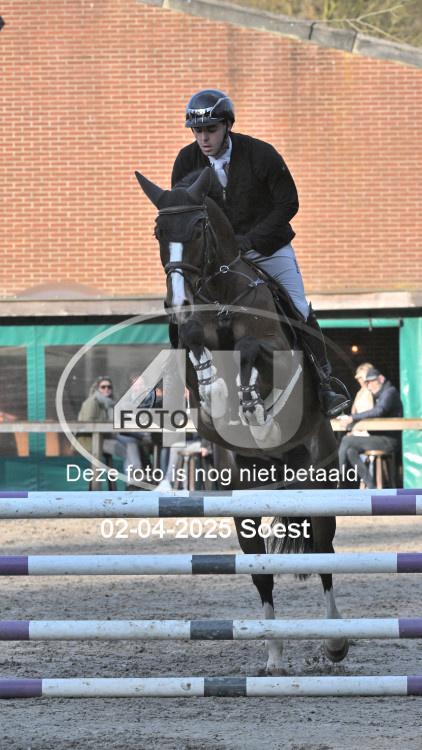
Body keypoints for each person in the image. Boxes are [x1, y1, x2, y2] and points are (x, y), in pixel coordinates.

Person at [171, 88, 351, 418]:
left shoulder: (260, 154)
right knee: (181, 307)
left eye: (211, 129)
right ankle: (179, 379)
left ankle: (325, 382)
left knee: (298, 305)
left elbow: (288, 204)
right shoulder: (186, 161)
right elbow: (183, 213)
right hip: (217, 258)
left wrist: (251, 240)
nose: (203, 138)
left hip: (267, 248)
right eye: (197, 131)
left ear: (227, 125)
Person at [338, 367, 403, 489]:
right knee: (350, 451)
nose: (369, 386)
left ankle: (337, 480)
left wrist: (352, 418)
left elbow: (379, 411)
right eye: (367, 383)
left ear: (381, 379)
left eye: (372, 381)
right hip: (380, 438)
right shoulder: (380, 394)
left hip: (389, 441)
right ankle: (371, 485)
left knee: (346, 440)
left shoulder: (389, 392)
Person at [77, 376, 143, 482]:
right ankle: (132, 481)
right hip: (91, 440)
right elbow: (87, 424)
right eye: (103, 387)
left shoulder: (110, 403)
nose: (106, 389)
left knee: (131, 442)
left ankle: (137, 474)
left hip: (108, 436)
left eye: (109, 387)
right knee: (125, 452)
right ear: (97, 388)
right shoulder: (92, 402)